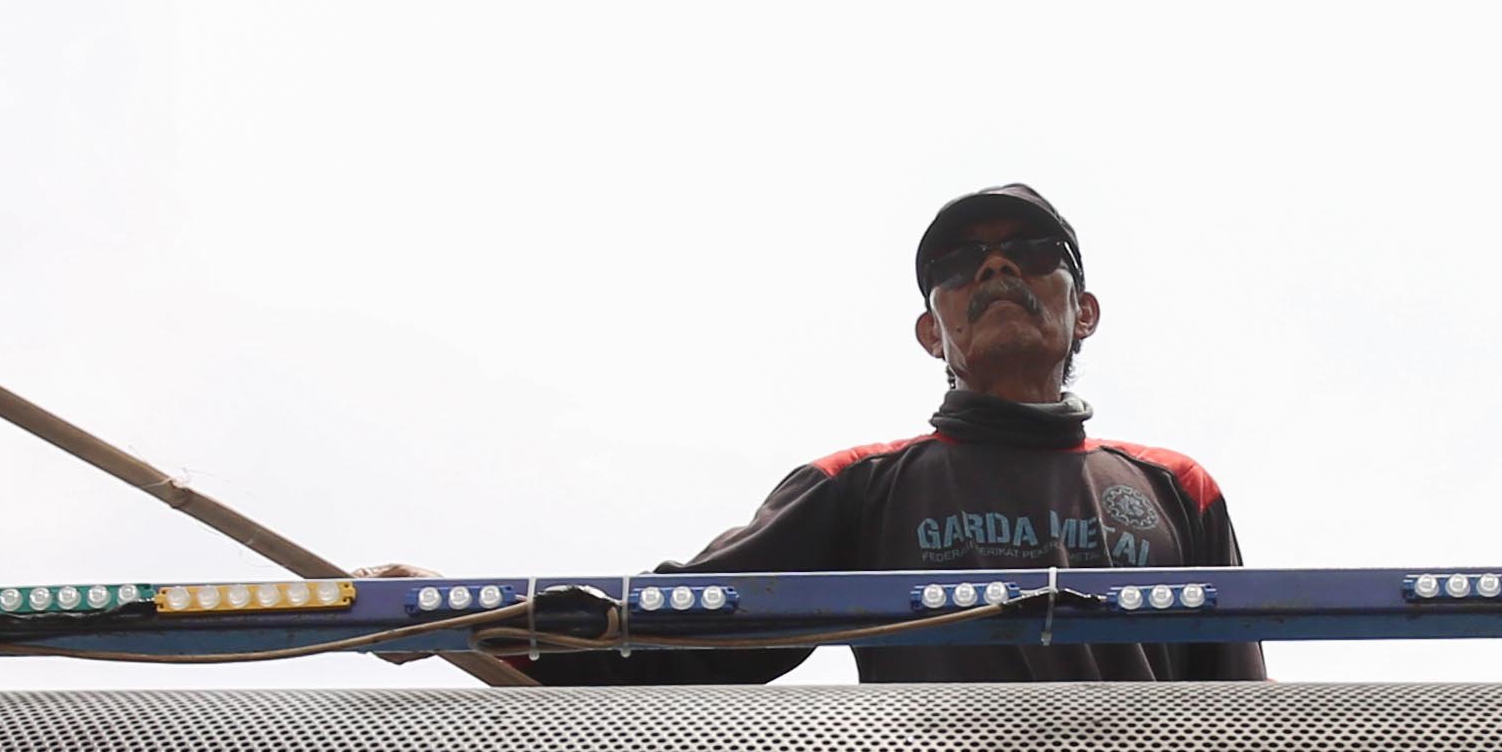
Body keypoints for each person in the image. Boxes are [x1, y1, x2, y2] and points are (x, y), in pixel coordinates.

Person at [521, 185, 1264, 686]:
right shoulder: (860, 485)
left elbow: (1244, 724)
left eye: (1033, 250)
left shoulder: (1177, 489)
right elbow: (678, 633)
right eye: (957, 264)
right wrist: (462, 621)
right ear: (929, 333)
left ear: (1086, 310)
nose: (996, 266)